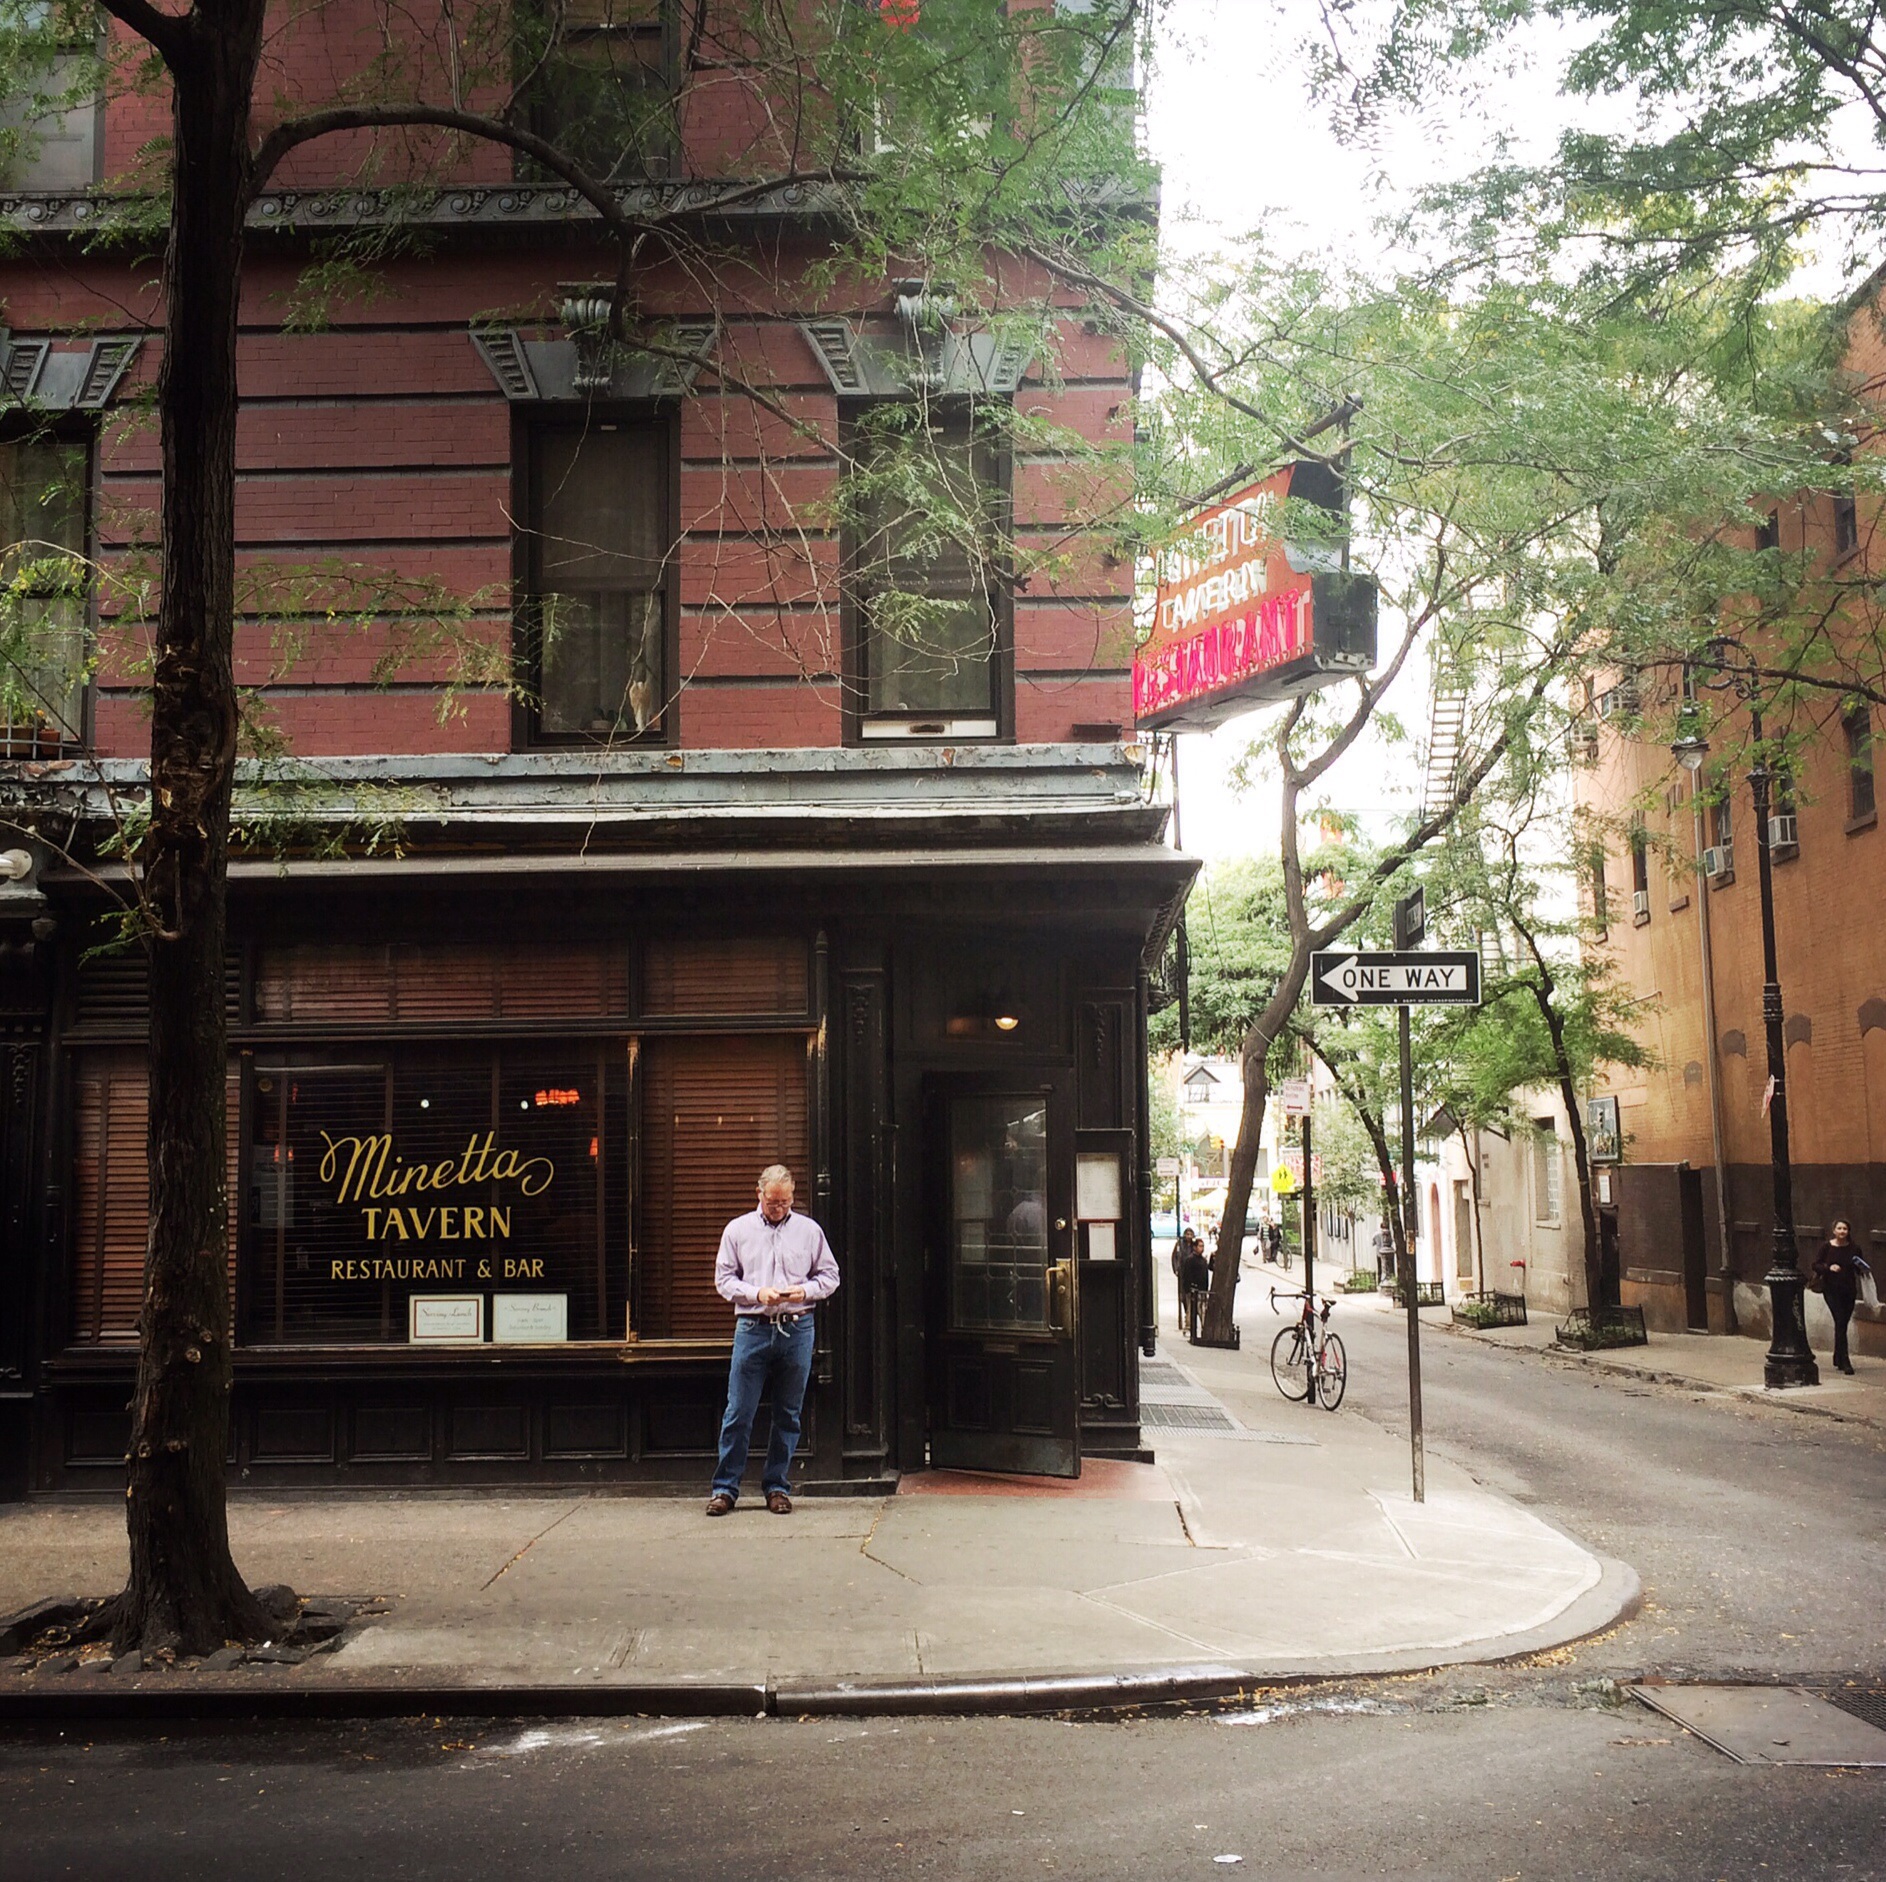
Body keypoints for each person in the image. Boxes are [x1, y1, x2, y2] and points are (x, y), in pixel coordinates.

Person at [706, 1164, 840, 1516]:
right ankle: (725, 1489)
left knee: (788, 1414)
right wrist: (756, 1293)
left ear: (793, 1196)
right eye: (772, 1201)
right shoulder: (738, 1230)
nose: (778, 1208)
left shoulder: (809, 1231)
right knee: (739, 1412)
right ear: (759, 1194)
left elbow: (830, 1276)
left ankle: (777, 1486)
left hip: (797, 1327)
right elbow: (724, 1280)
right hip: (753, 1327)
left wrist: (804, 1290)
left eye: (785, 1202)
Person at [1811, 1219, 1866, 1376]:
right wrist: (1828, 1268)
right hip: (1831, 1290)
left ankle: (1838, 1356)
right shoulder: (1826, 1247)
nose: (1842, 1231)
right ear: (1834, 1230)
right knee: (1840, 1321)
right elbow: (1815, 1265)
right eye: (1839, 1228)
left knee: (1842, 1323)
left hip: (1849, 1290)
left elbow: (1859, 1268)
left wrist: (1862, 1269)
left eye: (1845, 1229)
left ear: (1848, 1231)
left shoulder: (1855, 1248)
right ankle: (1845, 1361)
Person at [1178, 1237, 1212, 1339]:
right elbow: (1186, 1275)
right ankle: (1188, 1328)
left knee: (1202, 1310)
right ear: (1195, 1247)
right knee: (1191, 1309)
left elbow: (1206, 1275)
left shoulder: (1203, 1260)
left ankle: (1204, 1328)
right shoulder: (1190, 1260)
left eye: (1203, 1246)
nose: (1202, 1248)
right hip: (1192, 1289)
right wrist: (1188, 1288)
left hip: (1202, 1290)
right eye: (1200, 1246)